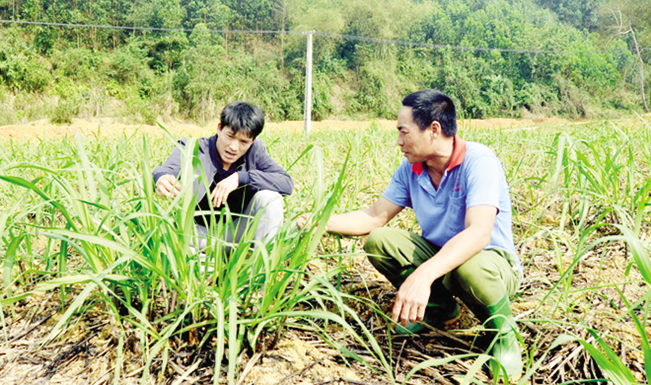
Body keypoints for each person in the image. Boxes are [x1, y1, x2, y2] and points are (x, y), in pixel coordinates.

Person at [303, 90, 523, 381]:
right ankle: (440, 309)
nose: (399, 141)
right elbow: (374, 217)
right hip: (442, 259)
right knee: (379, 241)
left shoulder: (478, 161)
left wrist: (421, 277)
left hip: (490, 266)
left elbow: (479, 233)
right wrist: (319, 222)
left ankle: (503, 333)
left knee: (470, 267)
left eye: (403, 132)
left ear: (433, 130)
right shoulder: (411, 170)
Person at [153, 101, 293, 250]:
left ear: (252, 141)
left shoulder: (255, 151)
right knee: (170, 235)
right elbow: (165, 170)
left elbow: (286, 182)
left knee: (270, 198)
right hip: (199, 235)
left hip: (238, 233)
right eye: (230, 136)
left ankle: (260, 270)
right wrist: (162, 178)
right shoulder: (193, 148)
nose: (234, 147)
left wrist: (240, 178)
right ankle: (210, 269)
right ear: (219, 129)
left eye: (243, 141)